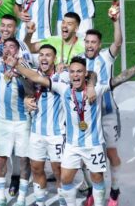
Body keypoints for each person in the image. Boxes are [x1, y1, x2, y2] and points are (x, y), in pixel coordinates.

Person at [27, 57, 107, 206]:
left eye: (79, 72)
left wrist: (90, 84)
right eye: (72, 72)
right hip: (71, 144)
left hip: (92, 143)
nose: (75, 74)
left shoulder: (79, 82)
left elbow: (101, 76)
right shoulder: (63, 85)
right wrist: (16, 65)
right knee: (64, 178)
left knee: (96, 177)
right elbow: (34, 77)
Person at [6, 45, 69, 206]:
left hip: (57, 134)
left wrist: (16, 65)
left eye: (48, 55)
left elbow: (34, 78)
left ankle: (63, 202)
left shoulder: (62, 76)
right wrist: (27, 97)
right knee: (36, 168)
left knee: (58, 170)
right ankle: (40, 202)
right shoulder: (33, 72)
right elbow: (29, 86)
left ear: (54, 59)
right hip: (36, 132)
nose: (44, 58)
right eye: (41, 55)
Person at [79, 6, 122, 206]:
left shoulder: (106, 57)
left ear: (99, 45)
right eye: (87, 41)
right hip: (86, 117)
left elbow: (118, 42)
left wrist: (115, 21)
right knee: (82, 156)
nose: (89, 45)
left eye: (93, 42)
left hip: (107, 113)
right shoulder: (78, 61)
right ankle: (91, 189)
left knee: (111, 153)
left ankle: (114, 190)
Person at [0, 36, 32, 206]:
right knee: (0, 159)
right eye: (5, 46)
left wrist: (18, 72)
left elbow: (30, 90)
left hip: (22, 120)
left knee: (23, 159)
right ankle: (2, 197)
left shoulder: (25, 65)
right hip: (3, 120)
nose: (8, 49)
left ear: (18, 50)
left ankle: (21, 199)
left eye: (12, 46)